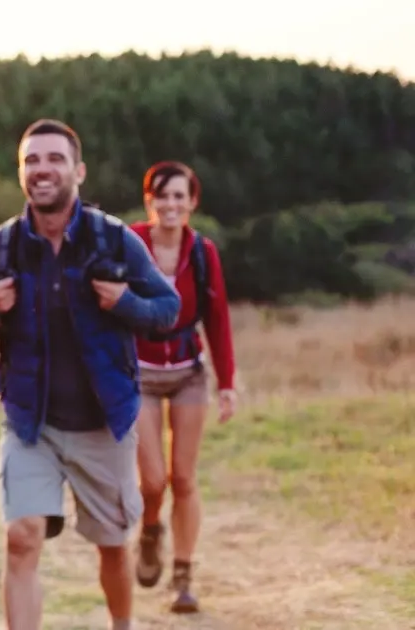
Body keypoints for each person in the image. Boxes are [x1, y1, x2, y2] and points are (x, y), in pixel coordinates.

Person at [0, 119, 181, 630]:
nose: (42, 169)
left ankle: (122, 624)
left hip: (103, 423)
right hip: (30, 424)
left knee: (112, 546)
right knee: (21, 537)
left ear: (78, 171)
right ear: (20, 173)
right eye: (31, 160)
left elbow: (167, 308)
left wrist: (126, 303)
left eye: (55, 159)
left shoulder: (114, 240)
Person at [128, 161, 237, 614]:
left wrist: (227, 383)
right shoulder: (131, 243)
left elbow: (218, 318)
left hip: (189, 372)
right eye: (162, 196)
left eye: (179, 196)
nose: (170, 204)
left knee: (184, 478)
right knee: (153, 481)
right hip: (140, 374)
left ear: (192, 202)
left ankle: (183, 577)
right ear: (149, 201)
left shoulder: (202, 252)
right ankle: (151, 529)